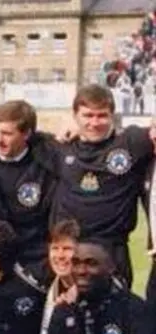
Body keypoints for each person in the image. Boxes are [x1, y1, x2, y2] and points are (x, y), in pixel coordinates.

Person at [51, 84, 156, 286]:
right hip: (70, 252)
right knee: (67, 314)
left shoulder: (131, 142)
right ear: (75, 115)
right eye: (88, 116)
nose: (94, 122)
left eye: (102, 116)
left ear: (112, 116)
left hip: (112, 253)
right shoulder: (60, 148)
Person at [0, 100, 59, 268]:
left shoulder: (44, 163)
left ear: (26, 134)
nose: (0, 139)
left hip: (32, 256)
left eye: (7, 133)